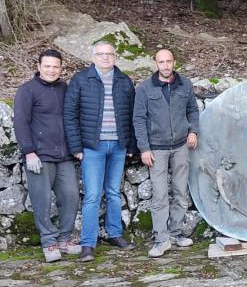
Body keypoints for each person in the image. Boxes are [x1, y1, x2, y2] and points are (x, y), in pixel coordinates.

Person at [64, 41, 136, 262]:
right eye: (100, 54)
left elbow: (133, 115)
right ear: (93, 57)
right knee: (93, 195)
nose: (105, 57)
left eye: (109, 54)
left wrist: (131, 145)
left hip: (118, 146)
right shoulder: (81, 80)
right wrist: (76, 147)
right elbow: (70, 114)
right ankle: (88, 244)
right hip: (92, 147)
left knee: (113, 192)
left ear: (115, 56)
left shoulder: (124, 81)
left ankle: (115, 234)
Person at [13, 49, 81, 262]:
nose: (52, 70)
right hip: (39, 156)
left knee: (71, 196)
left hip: (64, 155)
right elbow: (20, 122)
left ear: (61, 68)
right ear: (39, 66)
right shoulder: (27, 90)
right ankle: (49, 241)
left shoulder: (64, 88)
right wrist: (29, 151)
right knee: (41, 200)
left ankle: (64, 239)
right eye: (47, 66)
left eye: (55, 66)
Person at [133, 49, 199, 258]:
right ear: (156, 63)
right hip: (157, 149)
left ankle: (176, 233)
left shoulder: (185, 84)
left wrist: (193, 131)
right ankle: (161, 240)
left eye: (168, 61)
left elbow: (192, 110)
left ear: (174, 62)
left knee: (180, 191)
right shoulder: (145, 88)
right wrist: (144, 148)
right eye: (161, 62)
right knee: (160, 195)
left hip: (181, 146)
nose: (165, 65)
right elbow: (139, 119)